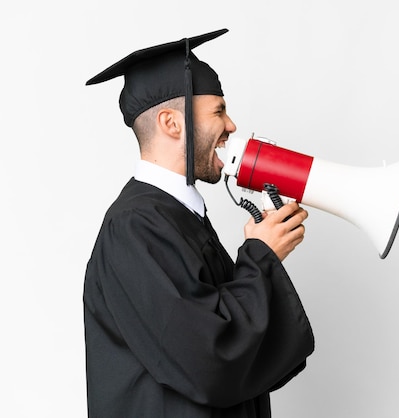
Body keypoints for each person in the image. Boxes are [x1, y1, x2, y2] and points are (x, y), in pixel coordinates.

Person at [83, 28, 315, 417]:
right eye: (218, 111)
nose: (232, 126)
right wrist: (260, 258)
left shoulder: (176, 215)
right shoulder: (135, 226)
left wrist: (264, 255)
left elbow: (225, 343)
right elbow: (208, 355)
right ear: (172, 123)